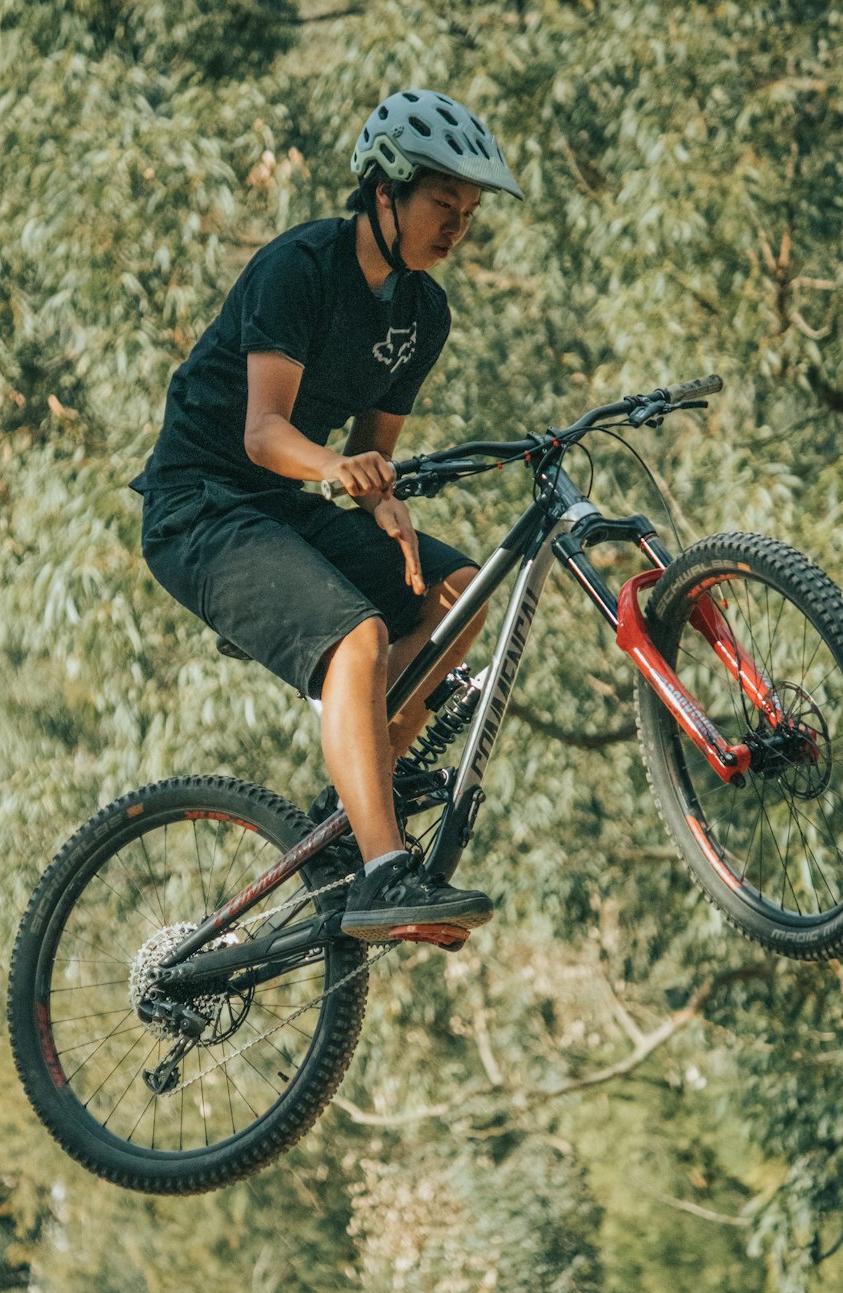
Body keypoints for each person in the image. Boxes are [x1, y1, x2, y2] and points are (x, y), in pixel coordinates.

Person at [131, 89, 523, 942]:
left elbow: (374, 446)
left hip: (281, 505)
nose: (457, 226)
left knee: (461, 588)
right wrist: (341, 470)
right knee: (360, 635)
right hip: (199, 507)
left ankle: (359, 790)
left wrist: (385, 502)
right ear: (384, 193)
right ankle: (384, 873)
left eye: (469, 211)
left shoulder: (424, 312)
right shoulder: (298, 269)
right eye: (441, 205)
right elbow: (266, 433)